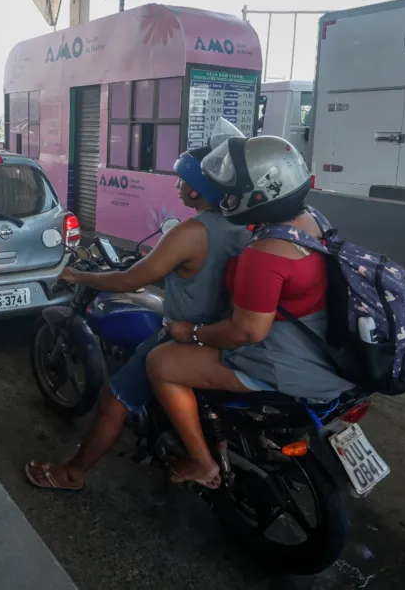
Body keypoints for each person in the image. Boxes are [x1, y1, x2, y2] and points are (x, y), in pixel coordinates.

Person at [25, 141, 250, 491]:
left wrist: (80, 276)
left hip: (184, 333)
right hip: (223, 333)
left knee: (113, 400)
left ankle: (73, 474)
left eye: (180, 179)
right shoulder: (245, 226)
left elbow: (132, 279)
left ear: (195, 188)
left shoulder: (191, 233)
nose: (176, 185)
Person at [146, 136, 355, 488]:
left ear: (260, 194)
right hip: (324, 345)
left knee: (160, 363)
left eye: (231, 192)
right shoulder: (311, 220)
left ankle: (202, 462)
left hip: (287, 362)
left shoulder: (267, 252)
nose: (226, 199)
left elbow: (247, 332)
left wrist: (192, 334)